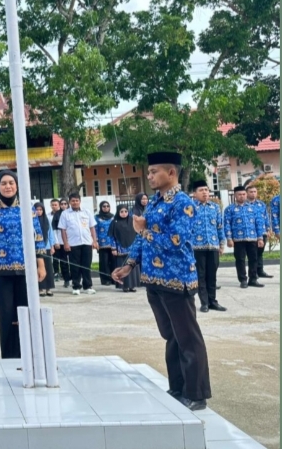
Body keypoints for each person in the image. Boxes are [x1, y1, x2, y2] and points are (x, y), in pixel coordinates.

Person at [112, 152, 211, 411]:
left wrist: (144, 230)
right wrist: (129, 265)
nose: (149, 176)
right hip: (154, 280)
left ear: (171, 173)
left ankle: (196, 394)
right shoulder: (154, 202)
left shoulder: (183, 202)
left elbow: (176, 241)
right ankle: (178, 387)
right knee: (171, 336)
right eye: (149, 172)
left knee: (187, 337)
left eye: (154, 171)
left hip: (177, 280)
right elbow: (142, 238)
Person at [0, 171, 46, 359]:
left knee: (27, 314)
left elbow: (38, 237)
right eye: (3, 183)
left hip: (27, 271)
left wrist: (41, 265)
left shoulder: (28, 207)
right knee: (7, 316)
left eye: (11, 183)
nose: (8, 186)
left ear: (17, 185)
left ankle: (31, 356)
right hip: (1, 271)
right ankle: (9, 358)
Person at [190, 180, 227, 313]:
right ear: (194, 194)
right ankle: (204, 303)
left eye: (206, 190)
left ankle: (213, 301)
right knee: (201, 275)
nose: (205, 192)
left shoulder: (215, 207)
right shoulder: (190, 208)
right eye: (201, 190)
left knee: (212, 275)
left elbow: (219, 226)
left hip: (213, 246)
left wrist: (221, 244)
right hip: (197, 248)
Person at [224, 186, 265, 288]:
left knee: (253, 259)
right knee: (240, 260)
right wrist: (229, 238)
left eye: (243, 194)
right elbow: (227, 224)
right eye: (239, 194)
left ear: (246, 195)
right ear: (235, 196)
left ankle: (253, 279)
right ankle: (243, 280)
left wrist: (260, 238)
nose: (242, 196)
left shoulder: (253, 208)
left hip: (252, 238)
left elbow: (258, 223)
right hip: (238, 239)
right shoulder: (230, 209)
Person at [57, 193, 98, 295]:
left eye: (77, 200)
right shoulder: (65, 214)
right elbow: (63, 230)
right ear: (69, 202)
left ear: (80, 201)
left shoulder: (86, 212)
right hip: (73, 244)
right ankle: (76, 286)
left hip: (86, 242)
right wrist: (65, 243)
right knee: (75, 266)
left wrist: (95, 241)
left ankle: (88, 286)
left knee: (86, 265)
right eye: (73, 201)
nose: (75, 202)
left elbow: (92, 227)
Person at [108, 204, 138, 292]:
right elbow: (111, 236)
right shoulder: (114, 222)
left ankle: (132, 286)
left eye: (126, 211)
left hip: (132, 249)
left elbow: (137, 234)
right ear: (118, 212)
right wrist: (113, 248)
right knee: (122, 266)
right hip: (120, 249)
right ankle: (124, 286)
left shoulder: (132, 221)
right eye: (121, 212)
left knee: (132, 266)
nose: (124, 213)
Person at [247, 186, 273, 279]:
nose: (253, 193)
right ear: (247, 193)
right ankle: (253, 273)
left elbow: (266, 217)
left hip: (262, 231)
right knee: (253, 254)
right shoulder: (245, 205)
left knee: (260, 253)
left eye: (254, 191)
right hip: (251, 233)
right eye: (251, 192)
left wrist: (268, 228)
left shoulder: (261, 204)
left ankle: (260, 270)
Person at [34, 202, 56, 297]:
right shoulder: (31, 221)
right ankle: (41, 288)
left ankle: (48, 288)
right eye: (37, 210)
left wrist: (52, 246)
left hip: (46, 247)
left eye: (40, 210)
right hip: (36, 249)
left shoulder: (47, 221)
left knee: (48, 268)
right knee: (38, 268)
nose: (39, 212)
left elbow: (51, 234)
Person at [95, 201, 116, 287]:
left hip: (112, 243)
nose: (106, 208)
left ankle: (113, 278)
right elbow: (95, 229)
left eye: (107, 206)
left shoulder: (113, 217)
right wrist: (95, 241)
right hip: (102, 243)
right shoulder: (96, 217)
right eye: (104, 206)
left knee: (113, 261)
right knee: (104, 262)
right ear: (101, 207)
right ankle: (105, 279)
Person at [52, 199, 72, 287]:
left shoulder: (71, 214)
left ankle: (75, 279)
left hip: (72, 241)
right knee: (63, 262)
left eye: (65, 204)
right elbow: (54, 230)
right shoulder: (57, 214)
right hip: (60, 241)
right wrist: (56, 242)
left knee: (73, 261)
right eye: (62, 204)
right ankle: (66, 279)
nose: (64, 206)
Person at [49, 199, 61, 280]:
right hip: (53, 238)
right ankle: (56, 272)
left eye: (55, 205)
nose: (54, 206)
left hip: (62, 238)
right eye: (52, 205)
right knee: (55, 257)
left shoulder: (62, 214)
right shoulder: (48, 215)